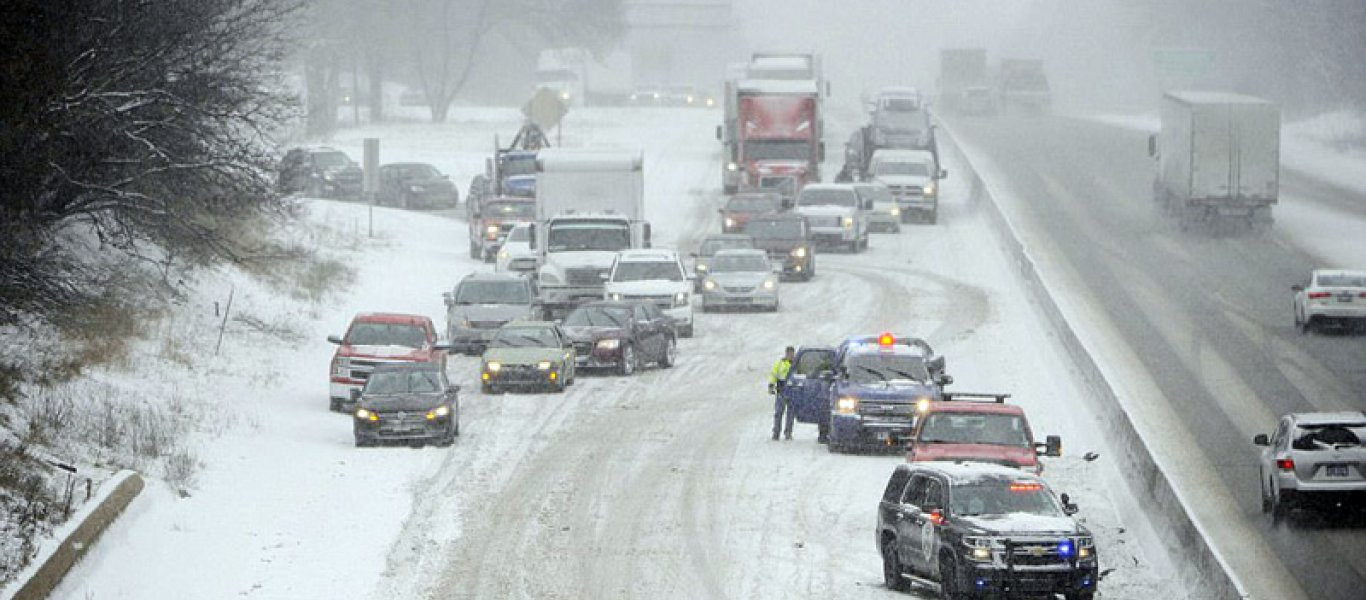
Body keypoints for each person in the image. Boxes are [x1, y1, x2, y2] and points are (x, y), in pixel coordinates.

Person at [769, 346, 796, 440]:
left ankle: (788, 433)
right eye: (789, 354)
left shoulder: (796, 364)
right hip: (781, 390)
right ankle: (776, 432)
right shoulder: (779, 363)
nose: (791, 356)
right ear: (786, 353)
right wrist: (771, 385)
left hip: (793, 391)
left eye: (792, 354)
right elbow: (773, 374)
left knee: (791, 414)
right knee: (778, 412)